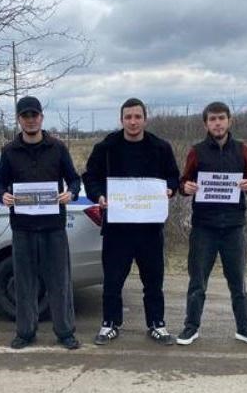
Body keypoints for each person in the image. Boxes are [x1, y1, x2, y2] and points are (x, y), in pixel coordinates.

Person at [82, 97, 179, 346]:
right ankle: (110, 323)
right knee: (113, 280)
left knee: (153, 280)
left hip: (150, 227)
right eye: (128, 117)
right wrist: (99, 195)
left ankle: (156, 323)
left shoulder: (160, 147)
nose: (133, 122)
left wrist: (169, 189)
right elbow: (90, 177)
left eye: (137, 117)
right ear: (121, 119)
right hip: (117, 228)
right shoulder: (106, 147)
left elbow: (173, 176)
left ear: (145, 119)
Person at [0, 96, 82, 350]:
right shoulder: (9, 151)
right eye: (25, 116)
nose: (30, 120)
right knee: (24, 283)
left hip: (53, 227)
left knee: (59, 282)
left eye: (34, 115)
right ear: (19, 119)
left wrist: (71, 193)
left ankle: (65, 332)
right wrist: (2, 195)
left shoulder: (58, 148)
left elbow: (74, 179)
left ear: (41, 117)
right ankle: (25, 332)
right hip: (23, 228)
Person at [176, 101, 247, 347]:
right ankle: (191, 327)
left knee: (238, 282)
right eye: (212, 119)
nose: (217, 123)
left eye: (221, 118)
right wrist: (186, 187)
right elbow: (183, 182)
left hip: (234, 227)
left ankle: (244, 328)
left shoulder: (242, 149)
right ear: (206, 124)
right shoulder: (196, 151)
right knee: (197, 282)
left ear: (229, 121)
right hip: (204, 227)